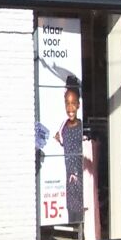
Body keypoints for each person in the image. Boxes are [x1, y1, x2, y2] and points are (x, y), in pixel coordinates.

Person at [53, 81, 85, 225]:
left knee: (79, 208)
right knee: (70, 208)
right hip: (68, 177)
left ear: (78, 105)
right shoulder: (64, 125)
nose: (70, 108)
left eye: (73, 103)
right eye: (67, 103)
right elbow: (66, 143)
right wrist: (59, 139)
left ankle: (80, 229)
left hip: (79, 177)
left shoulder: (81, 126)